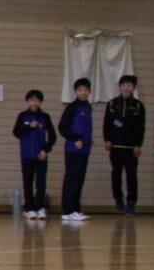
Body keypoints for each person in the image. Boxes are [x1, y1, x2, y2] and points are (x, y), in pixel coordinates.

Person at [104, 74, 146, 215]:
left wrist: (138, 144)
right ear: (120, 87)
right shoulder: (112, 104)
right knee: (116, 173)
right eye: (123, 85)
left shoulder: (138, 106)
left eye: (129, 85)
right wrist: (107, 139)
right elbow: (107, 123)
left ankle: (132, 202)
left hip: (131, 147)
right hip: (115, 146)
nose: (126, 88)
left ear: (133, 87)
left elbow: (140, 127)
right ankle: (118, 198)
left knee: (131, 175)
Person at [13, 90, 56, 219]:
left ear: (40, 102)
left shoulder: (45, 117)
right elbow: (17, 133)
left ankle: (40, 207)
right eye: (32, 100)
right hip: (26, 155)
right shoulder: (22, 116)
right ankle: (29, 208)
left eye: (37, 100)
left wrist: (46, 150)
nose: (34, 103)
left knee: (41, 183)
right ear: (28, 101)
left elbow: (52, 136)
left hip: (40, 155)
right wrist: (28, 126)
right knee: (28, 182)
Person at [58, 77, 94, 222]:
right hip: (73, 149)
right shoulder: (72, 107)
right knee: (72, 178)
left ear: (89, 91)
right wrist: (75, 139)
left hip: (84, 149)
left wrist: (88, 139)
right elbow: (63, 127)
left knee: (79, 179)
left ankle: (76, 209)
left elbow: (85, 127)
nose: (83, 92)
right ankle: (68, 210)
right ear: (75, 92)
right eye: (80, 90)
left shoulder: (88, 107)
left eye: (85, 90)